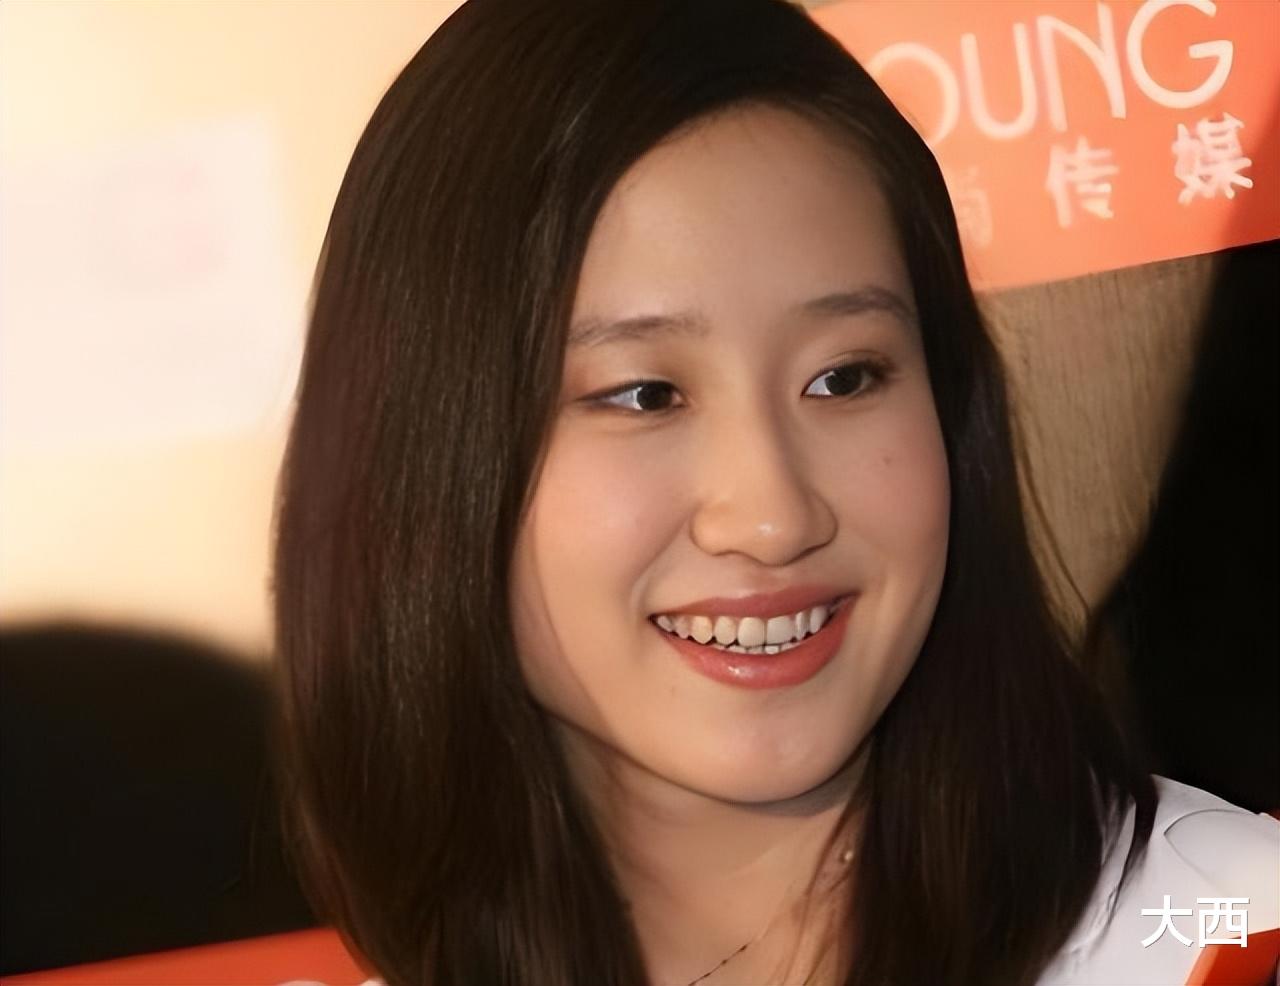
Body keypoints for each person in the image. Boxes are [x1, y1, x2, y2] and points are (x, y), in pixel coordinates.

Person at [270, 1, 1279, 984]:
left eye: (844, 377)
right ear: (425, 452)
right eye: (645, 394)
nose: (772, 516)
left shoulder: (1231, 933)